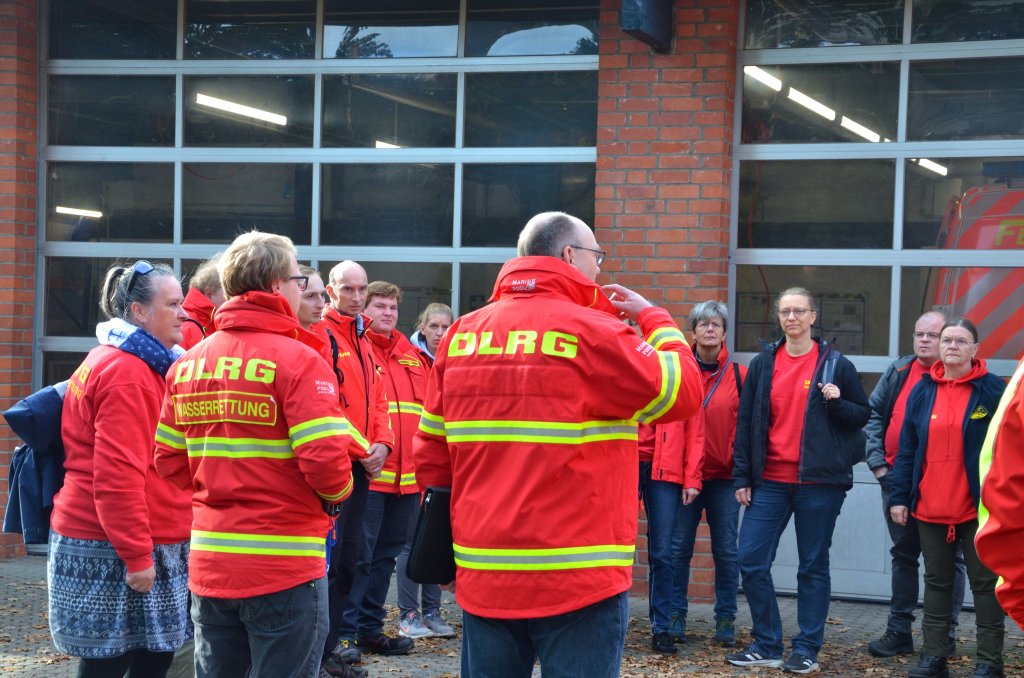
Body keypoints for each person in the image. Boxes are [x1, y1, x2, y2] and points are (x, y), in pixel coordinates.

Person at [413, 211, 703, 677]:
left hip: (486, 573)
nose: (600, 269)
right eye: (596, 257)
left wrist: (445, 554)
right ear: (569, 255)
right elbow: (684, 390)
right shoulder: (595, 332)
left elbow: (431, 456)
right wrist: (655, 318)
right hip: (578, 578)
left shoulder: (463, 335)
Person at [153, 231, 358, 678]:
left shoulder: (187, 363)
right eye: (297, 278)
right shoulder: (300, 360)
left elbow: (167, 461)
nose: (301, 287)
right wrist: (340, 493)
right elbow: (326, 463)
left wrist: (220, 483)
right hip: (284, 565)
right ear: (274, 286)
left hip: (211, 564)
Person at [48, 260, 192, 678]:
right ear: (138, 312)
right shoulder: (128, 373)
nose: (183, 313)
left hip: (126, 536)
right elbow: (118, 477)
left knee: (129, 658)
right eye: (173, 304)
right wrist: (137, 557)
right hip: (120, 544)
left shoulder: (124, 360)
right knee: (120, 662)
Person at [729, 287, 870, 675]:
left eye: (799, 311)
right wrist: (742, 475)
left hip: (819, 484)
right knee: (751, 559)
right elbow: (746, 425)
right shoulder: (763, 364)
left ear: (812, 317)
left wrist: (838, 401)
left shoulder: (835, 364)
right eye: (785, 311)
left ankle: (807, 648)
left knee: (812, 566)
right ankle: (767, 643)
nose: (791, 318)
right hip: (770, 480)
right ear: (779, 318)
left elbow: (861, 415)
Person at [888, 317, 1007, 678]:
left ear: (975, 349)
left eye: (960, 340)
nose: (952, 345)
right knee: (937, 583)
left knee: (985, 584)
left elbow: (1007, 448)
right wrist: (900, 497)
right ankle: (934, 657)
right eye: (946, 339)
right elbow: (907, 448)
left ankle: (989, 662)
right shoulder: (922, 391)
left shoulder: (991, 391)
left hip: (980, 508)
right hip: (930, 505)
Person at [315, 261, 401, 674]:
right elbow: (324, 407)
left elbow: (379, 398)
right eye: (346, 288)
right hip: (338, 465)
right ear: (332, 290)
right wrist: (366, 448)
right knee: (332, 563)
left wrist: (383, 443)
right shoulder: (323, 335)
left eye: (361, 288)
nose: (355, 296)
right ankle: (324, 648)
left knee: (351, 559)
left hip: (363, 465)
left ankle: (332, 647)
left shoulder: (363, 337)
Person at [864, 311, 966, 658]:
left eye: (932, 335)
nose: (924, 340)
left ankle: (944, 636)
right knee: (904, 556)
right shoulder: (899, 370)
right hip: (896, 482)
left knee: (950, 562)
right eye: (918, 333)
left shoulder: (962, 378)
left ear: (949, 338)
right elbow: (873, 415)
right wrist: (878, 466)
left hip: (944, 486)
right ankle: (899, 632)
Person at [358, 281, 455, 643]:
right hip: (371, 473)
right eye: (379, 306)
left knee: (385, 559)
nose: (387, 313)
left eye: (392, 307)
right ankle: (349, 632)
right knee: (361, 558)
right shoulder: (358, 349)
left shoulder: (407, 353)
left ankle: (369, 629)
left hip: (408, 478)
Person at [669, 301, 745, 647]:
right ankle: (674, 616)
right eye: (703, 324)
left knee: (727, 552)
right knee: (677, 550)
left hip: (724, 479)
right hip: (683, 479)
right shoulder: (678, 370)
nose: (710, 329)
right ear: (694, 331)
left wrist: (746, 476)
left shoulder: (740, 375)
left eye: (716, 324)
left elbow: (748, 429)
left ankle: (726, 618)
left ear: (725, 331)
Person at [396, 302, 454, 639]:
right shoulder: (407, 359)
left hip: (441, 468)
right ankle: (409, 614)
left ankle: (432, 612)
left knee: (435, 540)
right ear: (422, 327)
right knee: (409, 545)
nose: (440, 334)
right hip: (408, 468)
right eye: (434, 327)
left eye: (445, 327)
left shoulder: (453, 359)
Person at [638, 400, 703, 655]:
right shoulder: (631, 359)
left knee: (662, 553)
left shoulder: (679, 360)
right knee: (613, 548)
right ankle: (608, 627)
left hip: (666, 468)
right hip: (624, 461)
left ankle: (661, 629)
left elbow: (695, 427)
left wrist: (693, 477)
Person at [976, 356, 1024, 632]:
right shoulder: (916, 384)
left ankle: (989, 661)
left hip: (972, 506)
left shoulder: (991, 387)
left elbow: (1006, 475)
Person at [180, 254, 225, 349]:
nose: (233, 296)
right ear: (209, 293)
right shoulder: (187, 328)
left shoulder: (215, 322)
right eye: (228, 289)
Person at [297, 264, 328, 331]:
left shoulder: (326, 333)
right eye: (311, 296)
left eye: (322, 295)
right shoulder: (280, 339)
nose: (321, 305)